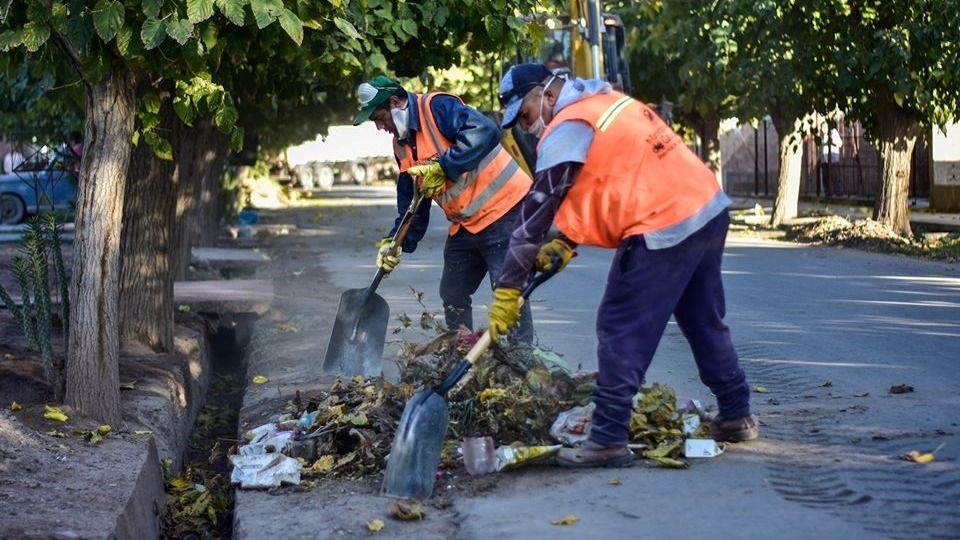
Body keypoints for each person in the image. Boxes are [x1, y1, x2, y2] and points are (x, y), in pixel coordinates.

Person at [488, 63, 758, 468]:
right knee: (702, 318)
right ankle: (737, 412)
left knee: (620, 323)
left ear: (545, 95)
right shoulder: (602, 103)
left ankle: (609, 437)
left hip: (663, 222)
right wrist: (566, 241)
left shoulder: (567, 126)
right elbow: (605, 181)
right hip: (706, 208)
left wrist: (508, 287)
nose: (525, 128)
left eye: (524, 116)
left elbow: (533, 217)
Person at [353, 75, 535, 345]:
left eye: (380, 118)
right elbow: (412, 204)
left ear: (394, 103)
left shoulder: (436, 108)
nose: (381, 127)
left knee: (507, 288)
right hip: (467, 223)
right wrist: (395, 243)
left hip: (504, 210)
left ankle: (522, 358)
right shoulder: (401, 146)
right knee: (453, 292)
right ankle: (461, 351)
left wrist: (443, 167)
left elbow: (485, 131)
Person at [819, 125, 842, 197]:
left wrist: (832, 141)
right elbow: (820, 145)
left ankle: (838, 192)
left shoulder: (834, 132)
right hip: (824, 159)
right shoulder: (821, 134)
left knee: (835, 176)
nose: (823, 129)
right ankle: (827, 192)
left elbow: (840, 143)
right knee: (825, 177)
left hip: (833, 159)